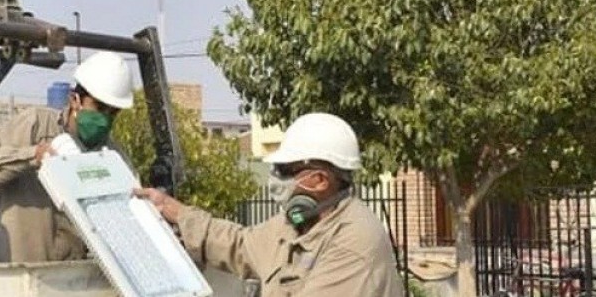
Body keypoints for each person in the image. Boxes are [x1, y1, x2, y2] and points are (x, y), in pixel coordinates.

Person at [136, 112, 404, 297]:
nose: (275, 178)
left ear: (320, 180)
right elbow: (240, 244)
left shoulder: (354, 240)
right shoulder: (296, 224)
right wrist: (176, 211)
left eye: (285, 170)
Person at [0, 51, 135, 263]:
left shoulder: (111, 156)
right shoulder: (35, 125)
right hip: (3, 271)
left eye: (114, 112)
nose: (105, 119)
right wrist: (32, 155)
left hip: (59, 278)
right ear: (75, 100)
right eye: (99, 108)